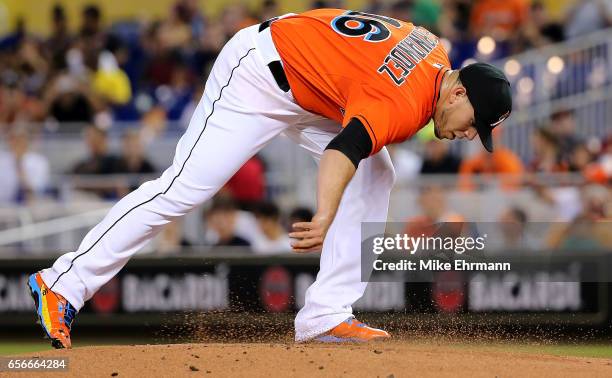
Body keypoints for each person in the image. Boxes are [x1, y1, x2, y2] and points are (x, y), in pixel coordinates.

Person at [28, 9, 512, 348]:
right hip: (257, 75)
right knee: (183, 189)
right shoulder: (405, 103)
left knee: (376, 173)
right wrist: (324, 214)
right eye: (476, 122)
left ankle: (326, 315)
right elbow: (344, 149)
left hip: (305, 80)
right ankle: (62, 283)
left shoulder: (433, 51)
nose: (472, 135)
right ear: (458, 92)